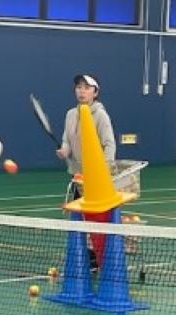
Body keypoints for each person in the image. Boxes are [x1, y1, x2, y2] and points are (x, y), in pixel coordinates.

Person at [56, 74, 117, 269]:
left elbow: (109, 145)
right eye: (79, 87)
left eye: (86, 87)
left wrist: (103, 172)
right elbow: (67, 139)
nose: (81, 91)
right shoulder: (70, 114)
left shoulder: (100, 115)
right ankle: (84, 256)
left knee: (96, 221)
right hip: (78, 177)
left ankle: (101, 258)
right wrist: (65, 150)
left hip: (97, 178)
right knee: (78, 219)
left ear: (95, 93)